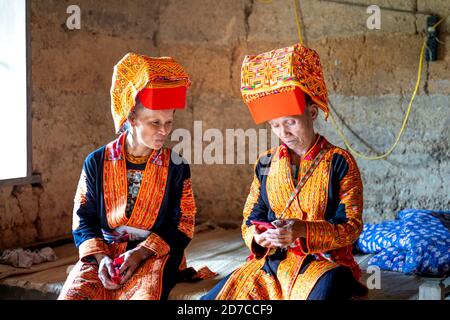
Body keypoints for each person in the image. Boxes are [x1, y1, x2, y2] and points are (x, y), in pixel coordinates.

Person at [201, 43, 368, 300]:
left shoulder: (339, 162)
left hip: (324, 264)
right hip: (272, 262)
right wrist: (259, 236)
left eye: (290, 122)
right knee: (214, 300)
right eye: (275, 126)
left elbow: (351, 226)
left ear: (311, 113)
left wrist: (302, 230)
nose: (284, 133)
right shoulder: (266, 162)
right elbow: (250, 217)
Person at [58, 53, 199, 300]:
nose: (164, 131)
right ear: (131, 119)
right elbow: (84, 217)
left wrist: (140, 253)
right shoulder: (97, 162)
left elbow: (183, 224)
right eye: (155, 122)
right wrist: (101, 259)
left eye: (169, 121)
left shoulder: (176, 166)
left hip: (154, 254)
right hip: (105, 253)